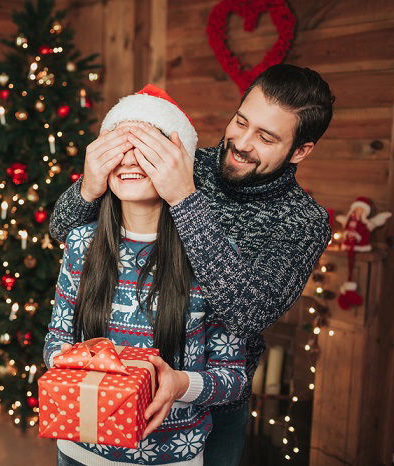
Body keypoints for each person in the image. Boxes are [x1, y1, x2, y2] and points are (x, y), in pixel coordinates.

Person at [49, 64, 334, 466]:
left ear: (300, 150)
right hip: (112, 390)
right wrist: (89, 186)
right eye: (240, 121)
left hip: (214, 394)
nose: (241, 142)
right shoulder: (183, 156)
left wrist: (185, 199)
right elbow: (65, 231)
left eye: (266, 137)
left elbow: (248, 312)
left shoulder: (303, 221)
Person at [43, 84, 248, 465]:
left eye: (147, 147)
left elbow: (233, 380)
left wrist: (179, 384)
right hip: (77, 449)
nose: (129, 159)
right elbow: (54, 344)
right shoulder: (81, 242)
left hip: (172, 455)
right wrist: (98, 365)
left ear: (177, 162)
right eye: (119, 145)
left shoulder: (213, 256)